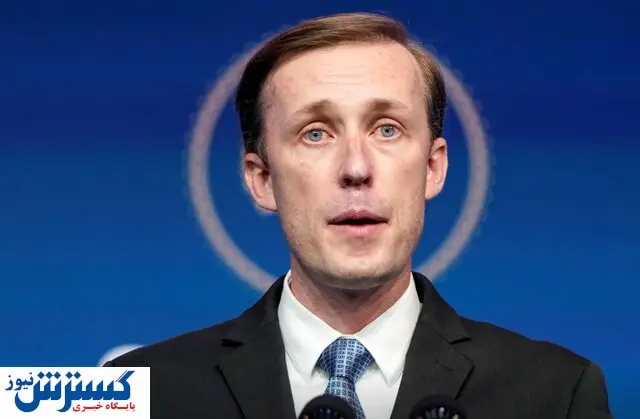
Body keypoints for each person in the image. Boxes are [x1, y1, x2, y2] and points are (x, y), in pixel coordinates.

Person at [105, 12, 613, 419]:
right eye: (316, 133)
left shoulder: (556, 393)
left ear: (433, 168)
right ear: (261, 179)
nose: (355, 168)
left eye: (386, 129)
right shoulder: (138, 393)